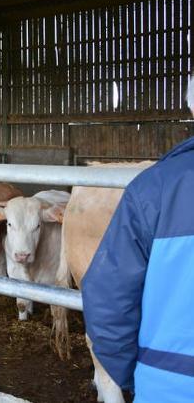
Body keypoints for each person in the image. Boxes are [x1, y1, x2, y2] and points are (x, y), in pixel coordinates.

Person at [82, 76, 194, 402]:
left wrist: (136, 374)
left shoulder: (153, 189)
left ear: (189, 106)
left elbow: (107, 297)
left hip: (170, 384)